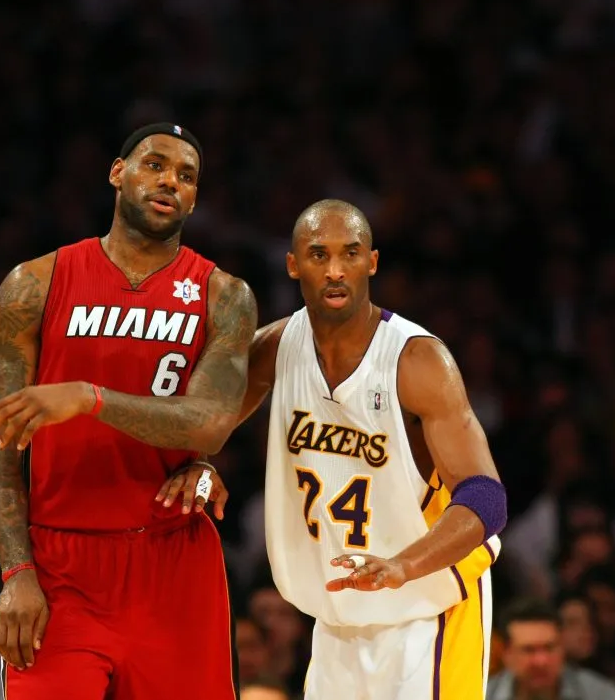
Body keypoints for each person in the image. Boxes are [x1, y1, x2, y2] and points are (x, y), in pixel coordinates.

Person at [163, 199, 506, 698]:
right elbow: (198, 427)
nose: (336, 270)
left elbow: (486, 499)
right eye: (319, 255)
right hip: (336, 618)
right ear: (293, 264)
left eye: (351, 253)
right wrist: (200, 464)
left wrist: (403, 565)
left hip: (427, 614)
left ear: (372, 261)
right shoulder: (276, 348)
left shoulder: (417, 360)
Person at [0, 123, 257, 699]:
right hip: (61, 565)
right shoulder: (34, 284)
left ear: (196, 198)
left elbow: (212, 422)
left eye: (186, 176)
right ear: (117, 172)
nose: (169, 181)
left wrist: (88, 397)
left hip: (173, 561)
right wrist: (16, 572)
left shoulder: (223, 295)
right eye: (154, 164)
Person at [487, 598, 615, 700]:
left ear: (562, 647)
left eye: (549, 648)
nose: (541, 661)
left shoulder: (600, 694)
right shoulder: (480, 695)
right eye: (528, 650)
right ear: (506, 654)